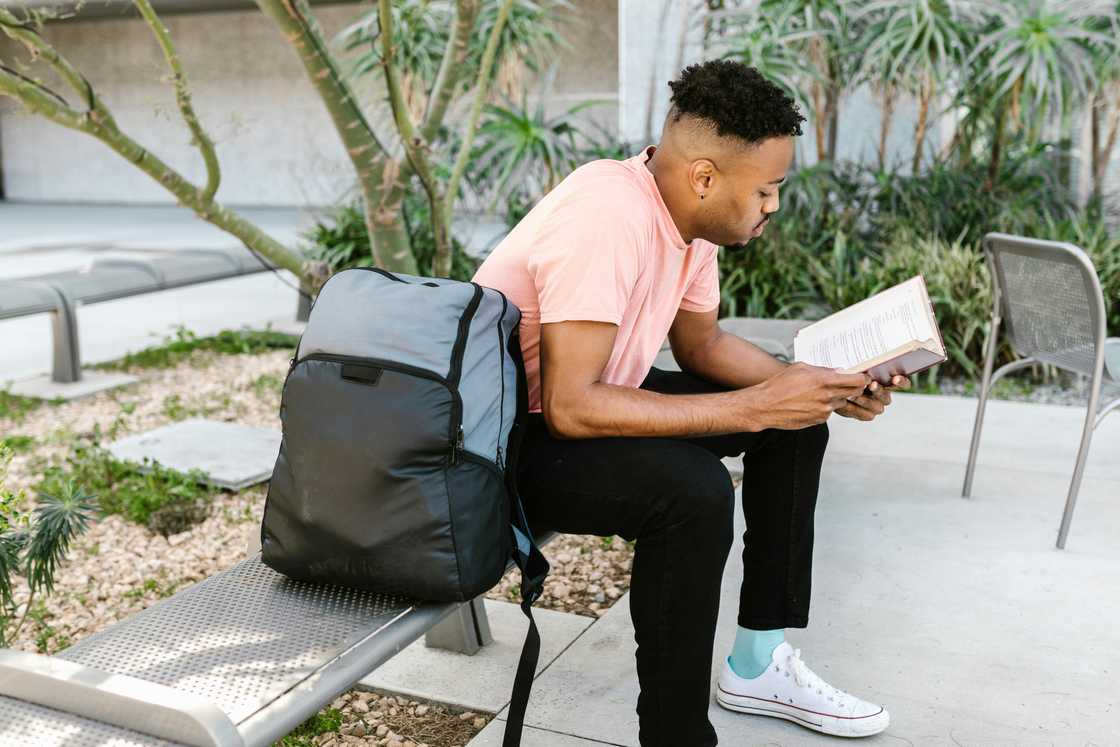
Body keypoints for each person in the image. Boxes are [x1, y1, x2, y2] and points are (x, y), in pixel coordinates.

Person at [472, 59, 908, 746]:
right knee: (694, 493)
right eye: (766, 190)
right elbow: (570, 406)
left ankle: (758, 661)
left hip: (577, 412)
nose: (772, 206)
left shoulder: (688, 220)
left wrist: (820, 384)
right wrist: (756, 404)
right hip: (506, 445)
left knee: (793, 426)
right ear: (705, 177)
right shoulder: (608, 209)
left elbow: (701, 345)